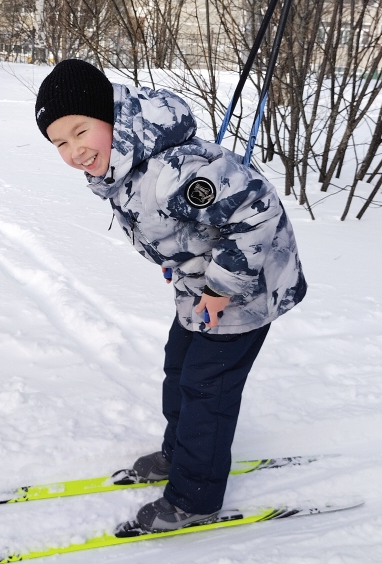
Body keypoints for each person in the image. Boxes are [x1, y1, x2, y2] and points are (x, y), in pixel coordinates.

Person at [34, 60, 307, 532]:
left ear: (110, 117)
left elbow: (255, 213)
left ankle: (196, 497)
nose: (75, 150)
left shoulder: (171, 171)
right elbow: (175, 223)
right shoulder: (126, 164)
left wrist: (221, 286)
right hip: (200, 285)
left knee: (207, 388)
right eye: (59, 143)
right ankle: (179, 452)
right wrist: (177, 259)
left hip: (246, 289)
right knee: (179, 367)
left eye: (80, 131)